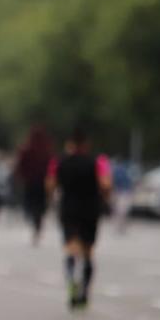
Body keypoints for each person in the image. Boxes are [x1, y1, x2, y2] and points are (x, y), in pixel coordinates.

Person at [48, 129, 111, 310]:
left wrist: (52, 198)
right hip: (90, 209)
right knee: (88, 251)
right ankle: (84, 289)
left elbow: (50, 184)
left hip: (68, 208)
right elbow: (105, 184)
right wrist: (105, 198)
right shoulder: (98, 161)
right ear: (86, 144)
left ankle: (71, 280)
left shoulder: (58, 162)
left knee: (70, 248)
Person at [15, 125, 54, 245]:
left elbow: (20, 166)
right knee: (39, 207)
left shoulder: (27, 149)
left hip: (32, 182)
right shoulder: (46, 149)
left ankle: (35, 223)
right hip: (40, 182)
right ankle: (37, 224)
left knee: (32, 206)